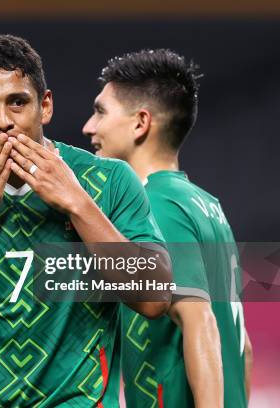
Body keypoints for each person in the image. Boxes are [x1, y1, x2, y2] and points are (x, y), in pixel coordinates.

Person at [0, 34, 172, 407]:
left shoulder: (108, 179)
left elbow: (155, 295)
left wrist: (76, 202)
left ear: (44, 106)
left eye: (18, 102)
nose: (4, 121)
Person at [83, 49, 251, 407]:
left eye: (100, 111)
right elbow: (243, 347)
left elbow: (200, 322)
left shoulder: (156, 207)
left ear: (140, 123)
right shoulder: (207, 206)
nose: (89, 127)